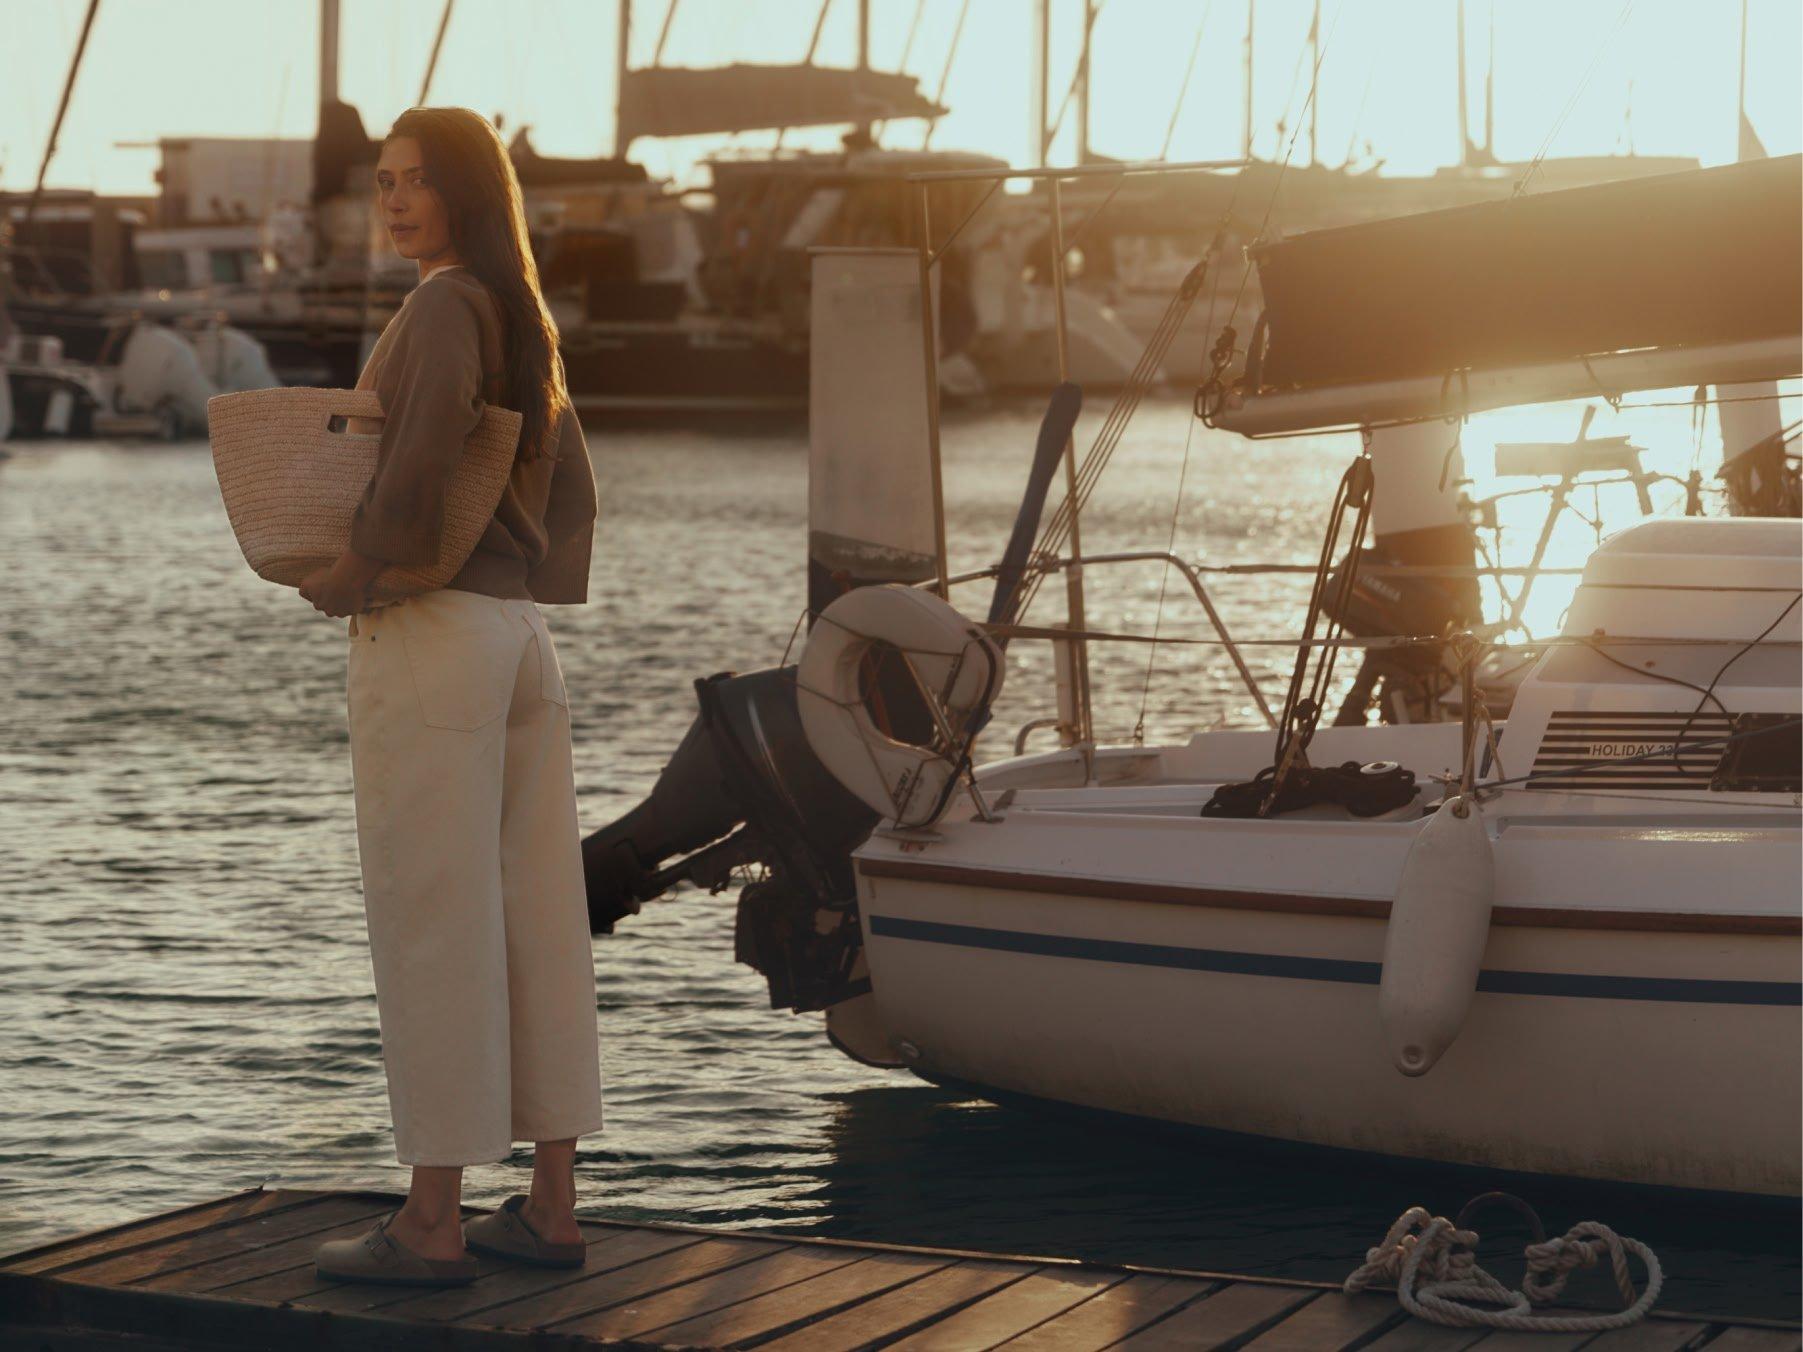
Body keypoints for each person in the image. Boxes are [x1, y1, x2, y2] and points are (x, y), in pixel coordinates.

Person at [299, 106, 602, 1287]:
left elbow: (419, 450)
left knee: (435, 919)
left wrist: (361, 566)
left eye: (417, 181)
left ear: (469, 191)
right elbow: (573, 479)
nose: (393, 199)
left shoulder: (437, 306)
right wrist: (527, 573)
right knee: (536, 921)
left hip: (434, 633)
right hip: (519, 637)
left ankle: (430, 1220)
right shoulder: (524, 313)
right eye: (383, 181)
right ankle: (554, 1205)